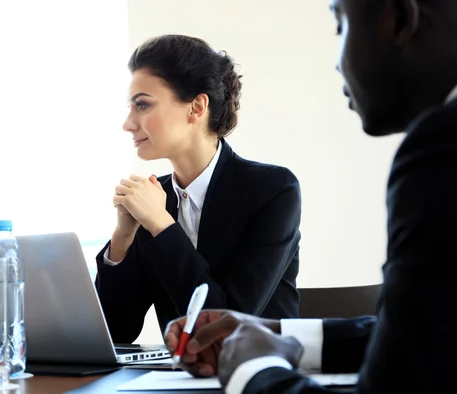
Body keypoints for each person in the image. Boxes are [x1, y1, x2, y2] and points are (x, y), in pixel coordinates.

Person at [164, 0, 457, 393]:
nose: (337, 63)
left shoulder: (441, 150)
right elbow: (430, 336)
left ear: (400, 20)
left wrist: (254, 369)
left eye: (340, 26)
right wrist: (279, 336)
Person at [95, 34, 302, 344]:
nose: (128, 123)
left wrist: (161, 225)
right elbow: (116, 332)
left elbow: (225, 323)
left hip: (257, 375)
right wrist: (122, 238)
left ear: (196, 107)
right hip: (179, 379)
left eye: (142, 105)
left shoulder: (273, 190)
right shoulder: (154, 197)